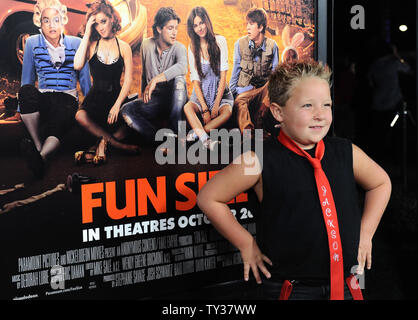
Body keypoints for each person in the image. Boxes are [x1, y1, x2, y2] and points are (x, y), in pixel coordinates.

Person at [197, 61, 392, 300]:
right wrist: (246, 243)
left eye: (326, 105)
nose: (320, 114)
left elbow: (381, 183)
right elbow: (209, 197)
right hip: (290, 289)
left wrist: (366, 234)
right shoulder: (258, 159)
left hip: (345, 285)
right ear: (278, 112)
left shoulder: (346, 152)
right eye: (307, 106)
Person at [18, 0, 91, 178]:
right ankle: (37, 146)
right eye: (46, 20)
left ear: (63, 20)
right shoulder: (32, 43)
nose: (52, 25)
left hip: (67, 98)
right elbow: (27, 78)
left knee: (59, 120)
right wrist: (21, 108)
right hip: (44, 97)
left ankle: (40, 158)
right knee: (26, 91)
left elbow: (84, 79)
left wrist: (90, 108)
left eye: (56, 20)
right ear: (39, 22)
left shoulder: (76, 43)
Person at [73, 0, 140, 165]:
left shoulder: (124, 47)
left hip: (116, 99)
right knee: (80, 115)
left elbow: (129, 79)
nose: (100, 27)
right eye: (96, 24)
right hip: (95, 100)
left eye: (103, 21)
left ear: (112, 19)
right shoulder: (91, 45)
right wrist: (87, 32)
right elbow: (77, 64)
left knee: (130, 124)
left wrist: (117, 105)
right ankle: (116, 145)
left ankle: (100, 144)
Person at [120, 7, 188, 147]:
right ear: (158, 29)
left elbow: (183, 67)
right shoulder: (146, 45)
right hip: (155, 101)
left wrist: (157, 79)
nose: (175, 32)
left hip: (176, 100)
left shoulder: (179, 48)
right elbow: (144, 74)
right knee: (126, 110)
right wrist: (144, 95)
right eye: (170, 28)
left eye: (176, 28)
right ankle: (159, 139)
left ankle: (177, 130)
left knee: (180, 80)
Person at [183, 7, 233, 150]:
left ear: (207, 22)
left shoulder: (220, 41)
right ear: (192, 29)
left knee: (227, 113)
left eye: (201, 23)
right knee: (187, 108)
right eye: (195, 25)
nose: (200, 28)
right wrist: (205, 109)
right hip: (202, 94)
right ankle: (206, 141)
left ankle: (195, 134)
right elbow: (195, 81)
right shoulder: (192, 47)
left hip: (220, 93)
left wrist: (216, 105)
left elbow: (223, 76)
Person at [229, 8, 279, 134]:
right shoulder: (239, 44)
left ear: (261, 27)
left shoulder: (273, 46)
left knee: (274, 79)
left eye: (251, 24)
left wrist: (267, 101)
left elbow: (276, 76)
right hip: (245, 90)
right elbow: (235, 70)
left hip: (263, 91)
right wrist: (231, 93)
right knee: (240, 101)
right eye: (247, 24)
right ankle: (249, 132)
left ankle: (262, 125)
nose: (247, 27)